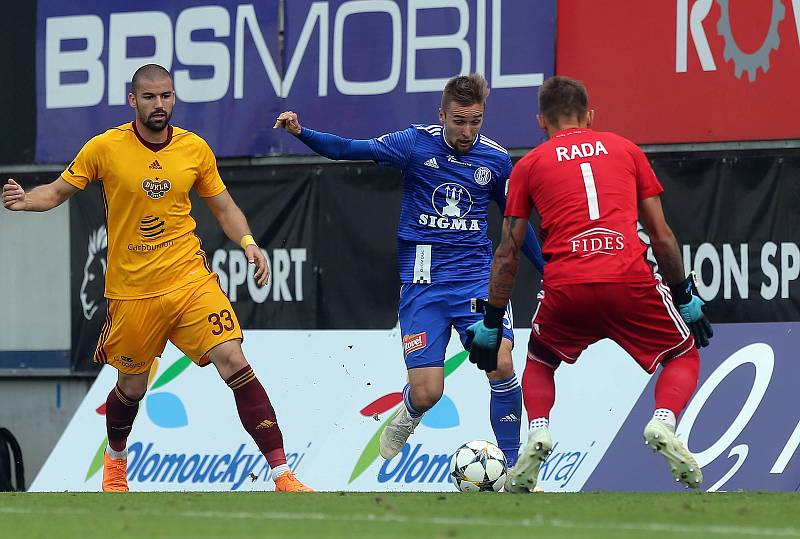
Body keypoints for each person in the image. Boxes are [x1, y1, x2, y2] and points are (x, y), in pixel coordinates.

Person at [2, 64, 312, 493]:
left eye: (166, 96)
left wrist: (249, 242)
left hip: (189, 281)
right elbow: (56, 191)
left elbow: (223, 207)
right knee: (130, 388)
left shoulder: (194, 149)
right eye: (149, 97)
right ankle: (115, 460)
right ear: (133, 101)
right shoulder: (104, 148)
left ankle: (282, 474)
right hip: (133, 293)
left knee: (235, 361)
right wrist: (25, 201)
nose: (159, 104)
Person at [273, 74, 546, 467]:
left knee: (499, 361)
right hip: (424, 287)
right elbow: (350, 149)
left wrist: (549, 272)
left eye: (475, 121)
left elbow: (517, 223)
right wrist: (301, 132)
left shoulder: (497, 160)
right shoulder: (415, 143)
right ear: (442, 115)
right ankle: (411, 411)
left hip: (476, 284)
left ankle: (514, 466)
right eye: (458, 121)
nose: (467, 131)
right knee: (428, 392)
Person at [467, 75, 713, 492]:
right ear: (590, 115)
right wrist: (684, 294)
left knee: (542, 361)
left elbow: (508, 253)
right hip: (628, 277)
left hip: (568, 285)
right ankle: (663, 421)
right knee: (684, 354)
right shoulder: (627, 150)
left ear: (541, 121)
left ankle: (539, 431)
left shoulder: (528, 165)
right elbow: (661, 235)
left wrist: (492, 320)